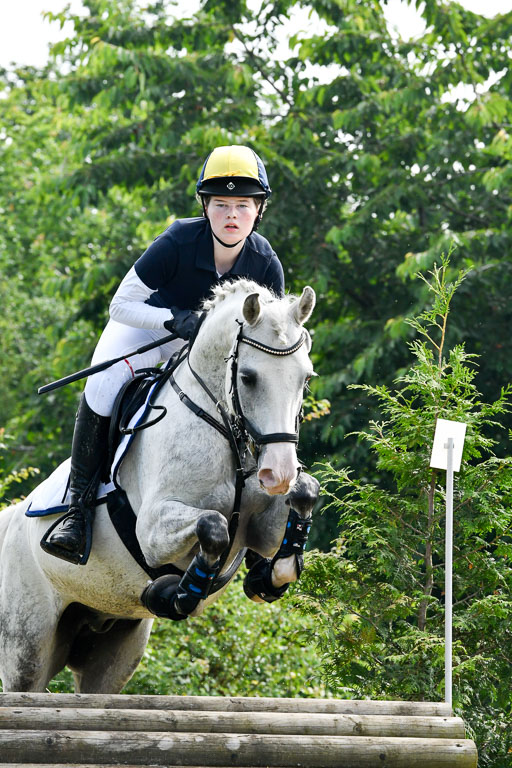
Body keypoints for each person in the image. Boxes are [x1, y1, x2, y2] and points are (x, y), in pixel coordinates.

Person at [41, 144, 285, 564]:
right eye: (221, 204)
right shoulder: (177, 240)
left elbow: (270, 343)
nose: (231, 215)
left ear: (258, 210)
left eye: (242, 205)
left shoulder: (265, 262)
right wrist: (173, 320)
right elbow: (121, 304)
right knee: (104, 385)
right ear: (204, 207)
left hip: (211, 351)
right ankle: (77, 510)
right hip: (145, 329)